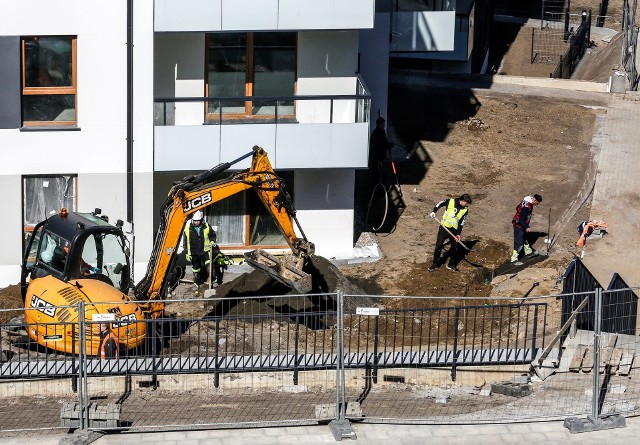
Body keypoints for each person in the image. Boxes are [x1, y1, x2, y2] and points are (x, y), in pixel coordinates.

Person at [428, 194, 472, 272]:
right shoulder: (450, 201)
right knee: (438, 246)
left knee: (454, 248)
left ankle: (451, 265)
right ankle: (435, 264)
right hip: (444, 228)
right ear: (463, 201)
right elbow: (440, 204)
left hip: (454, 231)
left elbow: (461, 222)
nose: (467, 205)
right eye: (467, 203)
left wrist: (458, 234)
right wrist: (434, 211)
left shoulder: (465, 210)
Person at [183, 209, 219, 290]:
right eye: (195, 221)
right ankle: (197, 281)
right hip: (193, 251)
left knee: (209, 265)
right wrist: (186, 252)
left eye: (198, 221)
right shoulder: (188, 227)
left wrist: (212, 241)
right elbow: (185, 240)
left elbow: (212, 235)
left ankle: (214, 280)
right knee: (196, 268)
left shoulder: (206, 225)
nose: (196, 222)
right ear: (193, 220)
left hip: (205, 250)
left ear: (201, 220)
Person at [511, 194, 542, 263]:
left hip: (521, 224)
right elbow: (521, 218)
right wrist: (526, 227)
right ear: (534, 200)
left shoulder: (526, 201)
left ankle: (528, 253)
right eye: (537, 203)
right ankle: (514, 259)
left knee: (525, 239)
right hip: (519, 225)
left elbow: (517, 208)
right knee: (519, 242)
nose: (537, 204)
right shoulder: (527, 207)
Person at [368, 117, 392, 190]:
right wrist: (388, 145)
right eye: (382, 124)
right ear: (378, 124)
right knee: (378, 174)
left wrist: (388, 145)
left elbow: (383, 143)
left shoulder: (381, 132)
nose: (383, 125)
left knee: (380, 174)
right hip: (376, 158)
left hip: (379, 157)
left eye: (384, 124)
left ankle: (379, 189)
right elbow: (379, 145)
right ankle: (376, 190)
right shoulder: (377, 133)